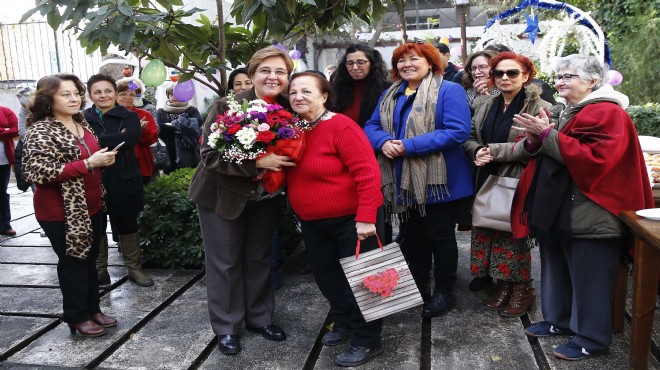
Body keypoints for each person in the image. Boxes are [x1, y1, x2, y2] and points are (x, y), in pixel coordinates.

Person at [511, 54, 654, 360]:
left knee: (590, 278)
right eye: (558, 76)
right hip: (561, 209)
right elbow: (552, 148)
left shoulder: (608, 113)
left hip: (592, 210)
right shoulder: (567, 111)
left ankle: (592, 338)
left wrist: (547, 135)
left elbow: (595, 160)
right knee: (558, 269)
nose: (560, 82)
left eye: (568, 76)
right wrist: (539, 138)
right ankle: (559, 320)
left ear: (592, 81)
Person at [189, 46, 295, 356]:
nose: (272, 77)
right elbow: (209, 156)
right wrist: (257, 164)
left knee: (258, 258)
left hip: (265, 198)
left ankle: (259, 318)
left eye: (280, 72)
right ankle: (226, 327)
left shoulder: (291, 108)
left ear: (288, 77)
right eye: (265, 70)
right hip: (222, 196)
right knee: (225, 263)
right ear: (251, 75)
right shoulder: (228, 105)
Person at [364, 41, 473, 318]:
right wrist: (384, 142)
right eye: (401, 60)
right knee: (412, 237)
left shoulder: (449, 90)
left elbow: (457, 131)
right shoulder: (391, 93)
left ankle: (444, 292)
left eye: (414, 59)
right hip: (403, 180)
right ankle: (419, 285)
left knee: (440, 236)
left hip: (439, 181)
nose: (407, 65)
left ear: (430, 63)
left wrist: (408, 146)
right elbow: (371, 126)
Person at [287, 72, 384, 367]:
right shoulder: (293, 129)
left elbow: (368, 173)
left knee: (364, 282)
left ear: (324, 95)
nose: (298, 97)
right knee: (328, 278)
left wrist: (367, 217)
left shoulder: (342, 126)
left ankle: (367, 340)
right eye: (293, 93)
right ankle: (343, 322)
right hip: (313, 222)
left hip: (352, 221)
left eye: (306, 91)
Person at [22, 73, 118, 336]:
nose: (75, 98)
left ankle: (92, 309)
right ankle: (76, 315)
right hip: (60, 211)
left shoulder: (80, 122)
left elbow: (88, 158)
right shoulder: (40, 129)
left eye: (76, 92)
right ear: (48, 99)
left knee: (89, 261)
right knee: (73, 263)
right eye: (66, 94)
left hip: (92, 205)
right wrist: (89, 164)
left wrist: (101, 160)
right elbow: (39, 172)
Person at [462, 52, 552, 315]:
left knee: (513, 238)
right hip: (486, 178)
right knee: (490, 233)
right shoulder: (485, 104)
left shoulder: (540, 107)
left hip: (518, 179)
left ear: (526, 76)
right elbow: (468, 135)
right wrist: (476, 150)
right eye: (498, 73)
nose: (504, 78)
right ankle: (504, 285)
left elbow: (533, 145)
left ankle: (523, 289)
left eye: (512, 73)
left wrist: (493, 151)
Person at [83, 74, 154, 287]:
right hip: (94, 177)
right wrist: (114, 139)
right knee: (96, 225)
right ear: (90, 95)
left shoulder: (128, 116)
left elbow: (129, 138)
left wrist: (94, 141)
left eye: (107, 91)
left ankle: (134, 268)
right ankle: (99, 270)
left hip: (124, 177)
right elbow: (80, 144)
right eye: (97, 92)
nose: (103, 95)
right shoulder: (83, 117)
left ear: (114, 93)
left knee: (127, 222)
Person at [332, 44, 392, 243]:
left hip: (375, 153)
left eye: (360, 62)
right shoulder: (336, 87)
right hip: (341, 155)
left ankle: (380, 249)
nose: (355, 67)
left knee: (377, 206)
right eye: (350, 63)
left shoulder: (385, 88)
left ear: (371, 64)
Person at [116, 77, 159, 185]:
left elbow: (152, 139)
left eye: (132, 94)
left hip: (141, 164)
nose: (127, 97)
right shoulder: (109, 114)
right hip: (116, 163)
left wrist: (142, 130)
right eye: (123, 94)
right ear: (115, 95)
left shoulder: (144, 114)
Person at [156, 85, 203, 172]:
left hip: (189, 149)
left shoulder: (192, 110)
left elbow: (197, 124)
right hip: (169, 149)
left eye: (178, 94)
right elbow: (160, 128)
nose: (175, 97)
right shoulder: (161, 112)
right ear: (168, 95)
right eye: (172, 94)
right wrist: (183, 125)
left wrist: (171, 125)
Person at [0, 105, 18, 236]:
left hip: (3, 161)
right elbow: (10, 130)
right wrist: (5, 130)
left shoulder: (5, 111)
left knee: (2, 193)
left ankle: (5, 225)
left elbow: (16, 129)